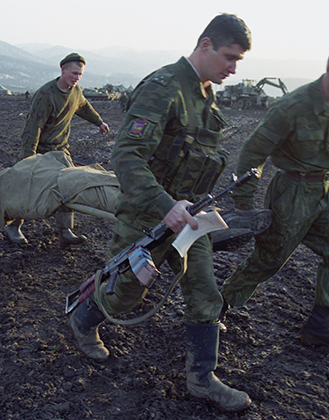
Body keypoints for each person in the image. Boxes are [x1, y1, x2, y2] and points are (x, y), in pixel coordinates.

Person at [68, 14, 252, 412]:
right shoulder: (163, 87)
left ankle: (202, 379)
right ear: (205, 45)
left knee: (205, 293)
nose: (234, 69)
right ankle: (84, 321)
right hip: (146, 215)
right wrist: (165, 205)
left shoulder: (205, 95)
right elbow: (127, 156)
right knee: (125, 295)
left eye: (239, 61)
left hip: (190, 218)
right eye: (229, 57)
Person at [220, 42, 329, 354]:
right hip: (291, 191)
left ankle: (318, 325)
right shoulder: (293, 106)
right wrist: (244, 203)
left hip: (326, 190)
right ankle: (214, 309)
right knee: (268, 260)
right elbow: (253, 150)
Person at [4, 52, 110, 247]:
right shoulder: (45, 95)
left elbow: (84, 106)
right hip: (41, 149)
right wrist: (28, 158)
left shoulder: (76, 91)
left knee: (67, 185)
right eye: (73, 73)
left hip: (61, 149)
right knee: (29, 187)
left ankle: (65, 231)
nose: (77, 77)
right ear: (63, 70)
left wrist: (99, 122)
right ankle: (14, 225)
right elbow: (33, 127)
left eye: (80, 74)